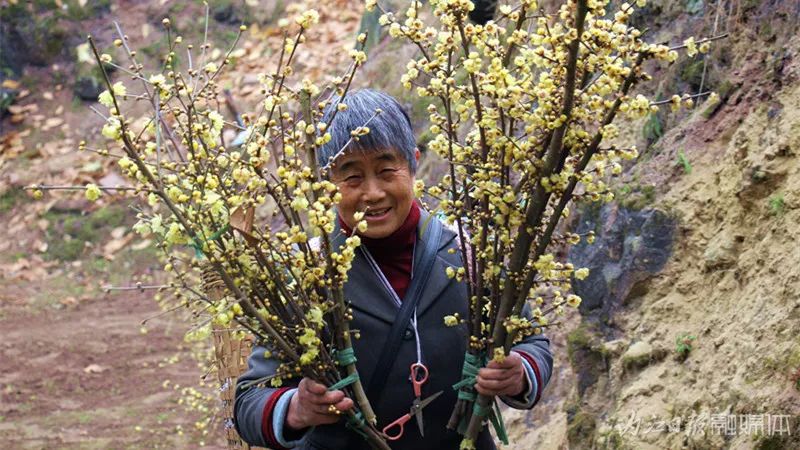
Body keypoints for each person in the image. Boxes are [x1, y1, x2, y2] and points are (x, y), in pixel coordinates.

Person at [234, 89, 553, 450]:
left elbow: (531, 343)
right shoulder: (307, 275)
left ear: (413, 164)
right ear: (325, 184)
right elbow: (249, 401)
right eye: (351, 178)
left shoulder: (471, 254)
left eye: (387, 171)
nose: (372, 192)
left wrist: (519, 373)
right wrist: (296, 409)